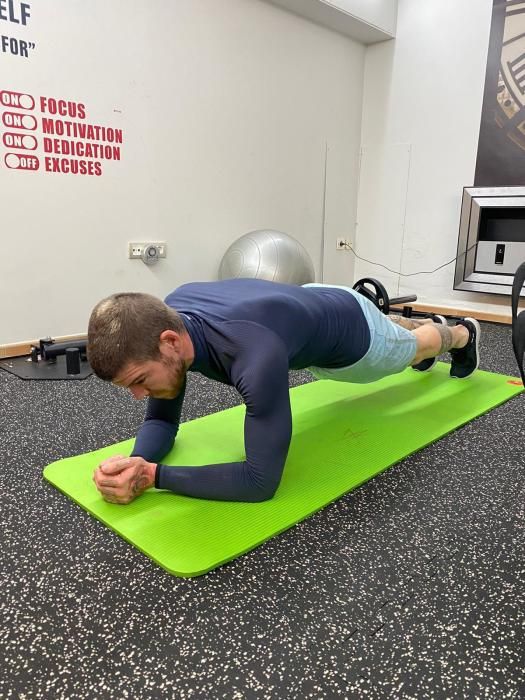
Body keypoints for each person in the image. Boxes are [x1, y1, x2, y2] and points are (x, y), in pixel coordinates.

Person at [87, 279, 480, 505]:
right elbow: (160, 419)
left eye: (139, 381)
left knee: (411, 350)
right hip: (312, 299)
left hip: (353, 343)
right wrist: (136, 462)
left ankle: (460, 332)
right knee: (392, 332)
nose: (140, 396)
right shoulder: (169, 315)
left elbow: (260, 482)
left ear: (170, 341)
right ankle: (406, 326)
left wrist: (154, 477)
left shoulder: (254, 356)